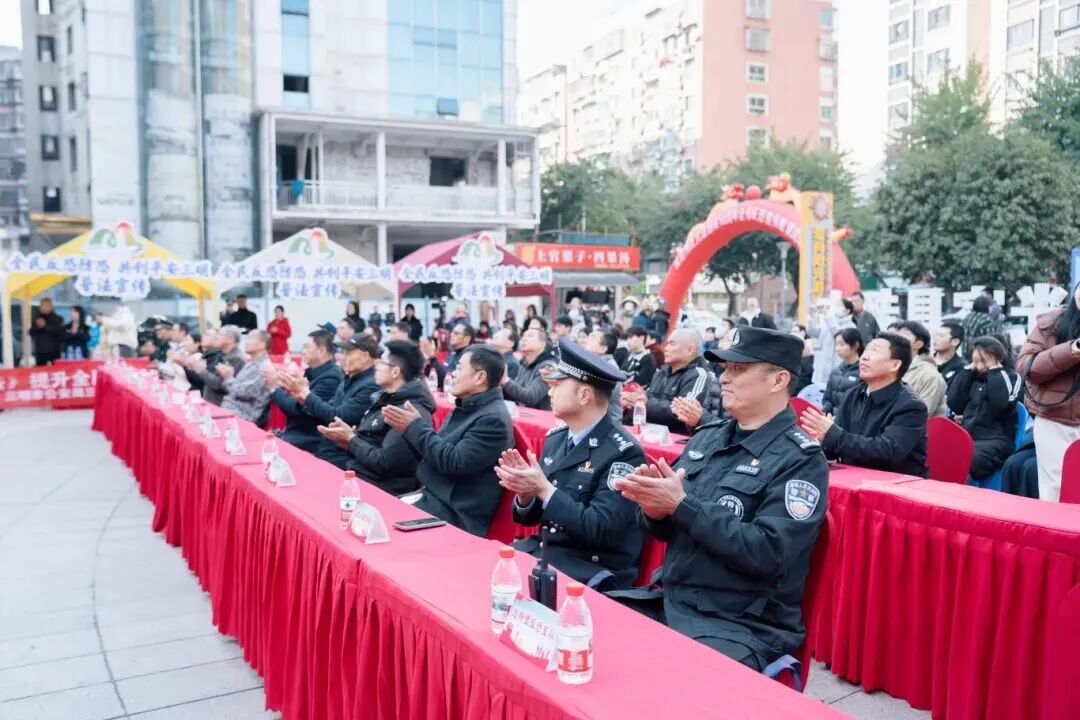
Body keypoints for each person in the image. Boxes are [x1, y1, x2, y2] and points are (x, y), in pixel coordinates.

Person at [608, 327, 827, 671]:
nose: (723, 378)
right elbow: (665, 525)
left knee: (653, 680)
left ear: (778, 380)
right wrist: (654, 510)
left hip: (739, 624)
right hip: (673, 601)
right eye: (724, 368)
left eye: (738, 369)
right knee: (587, 634)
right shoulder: (708, 438)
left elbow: (768, 553)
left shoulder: (801, 460)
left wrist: (681, 506)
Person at [497, 339, 647, 590]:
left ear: (584, 395)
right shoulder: (557, 439)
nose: (549, 393)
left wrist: (544, 489)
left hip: (588, 567)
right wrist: (526, 494)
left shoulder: (623, 453)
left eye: (557, 385)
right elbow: (531, 518)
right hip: (548, 553)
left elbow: (599, 529)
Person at [382, 345, 515, 536]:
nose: (453, 373)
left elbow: (453, 463)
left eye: (459, 368)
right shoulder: (468, 406)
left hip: (455, 512)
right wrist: (409, 430)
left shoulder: (493, 420)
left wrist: (415, 427)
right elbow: (435, 453)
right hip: (433, 496)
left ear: (479, 377)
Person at [801, 332, 929, 477]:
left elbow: (888, 452)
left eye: (874, 351)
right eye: (866, 350)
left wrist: (834, 435)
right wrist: (824, 439)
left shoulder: (911, 406)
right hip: (853, 479)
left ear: (895, 365)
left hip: (895, 484)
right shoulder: (852, 395)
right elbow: (837, 447)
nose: (864, 357)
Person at [318, 340, 436, 496]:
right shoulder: (386, 399)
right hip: (359, 474)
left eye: (381, 362)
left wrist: (352, 440)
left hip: (381, 489)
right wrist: (349, 438)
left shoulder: (408, 411)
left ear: (395, 372)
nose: (376, 366)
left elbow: (385, 463)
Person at [1017, 282, 1080, 501]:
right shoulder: (1051, 323)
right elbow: (1027, 367)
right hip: (1055, 419)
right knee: (1054, 488)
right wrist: (1070, 351)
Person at [281, 334, 380, 469]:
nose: (342, 357)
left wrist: (306, 394)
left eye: (348, 353)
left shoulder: (371, 385)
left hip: (342, 455)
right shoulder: (349, 379)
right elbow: (329, 407)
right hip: (327, 448)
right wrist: (303, 399)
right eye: (342, 353)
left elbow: (338, 416)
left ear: (364, 357)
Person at [947, 336, 1021, 482]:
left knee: (962, 462)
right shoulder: (971, 375)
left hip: (995, 440)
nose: (980, 367)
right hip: (967, 436)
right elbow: (954, 403)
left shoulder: (1011, 377)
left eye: (985, 361)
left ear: (999, 358)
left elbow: (1000, 406)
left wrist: (995, 371)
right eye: (976, 361)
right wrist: (967, 371)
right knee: (938, 455)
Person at [622, 329, 717, 436]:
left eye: (672, 344)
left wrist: (645, 404)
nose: (666, 349)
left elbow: (683, 411)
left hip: (679, 439)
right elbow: (645, 398)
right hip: (651, 435)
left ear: (690, 350)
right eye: (666, 344)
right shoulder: (660, 373)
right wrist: (633, 404)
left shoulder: (699, 375)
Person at [266, 330, 342, 453]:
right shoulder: (312, 372)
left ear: (321, 351)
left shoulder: (331, 378)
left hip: (309, 439)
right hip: (295, 433)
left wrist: (274, 389)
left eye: (307, 347)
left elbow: (299, 409)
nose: (303, 351)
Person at [895, 320, 947, 418]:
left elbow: (922, 414)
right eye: (897, 333)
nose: (896, 337)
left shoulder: (930, 375)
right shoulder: (892, 367)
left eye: (905, 334)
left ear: (918, 344)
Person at [219, 329, 273, 423]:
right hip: (230, 409)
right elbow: (236, 387)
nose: (246, 342)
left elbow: (244, 392)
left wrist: (228, 377)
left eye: (250, 338)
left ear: (262, 345)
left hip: (242, 415)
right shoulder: (251, 363)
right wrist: (229, 377)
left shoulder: (264, 367)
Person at [501, 327, 558, 410]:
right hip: (523, 413)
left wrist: (505, 380)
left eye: (530, 336)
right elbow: (516, 391)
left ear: (543, 344)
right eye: (523, 336)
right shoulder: (524, 362)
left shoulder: (548, 367)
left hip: (541, 416)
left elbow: (531, 397)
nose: (524, 339)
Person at [190, 326, 246, 406]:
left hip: (220, 405)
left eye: (220, 335)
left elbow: (221, 385)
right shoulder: (222, 354)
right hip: (210, 402)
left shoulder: (236, 359)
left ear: (231, 339)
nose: (216, 337)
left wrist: (201, 370)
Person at [807, 298, 855, 385]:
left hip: (836, 369)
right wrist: (812, 315)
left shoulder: (850, 326)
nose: (835, 308)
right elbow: (812, 332)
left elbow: (837, 333)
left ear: (847, 311)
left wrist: (827, 315)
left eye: (839, 305)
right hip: (821, 371)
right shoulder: (827, 323)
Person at [584, 329, 624, 423]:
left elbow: (594, 396)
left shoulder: (609, 369)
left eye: (592, 338)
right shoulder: (594, 363)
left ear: (602, 349)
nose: (586, 341)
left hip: (608, 424)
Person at [821, 328, 864, 414]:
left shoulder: (864, 371)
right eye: (836, 344)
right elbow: (827, 399)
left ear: (856, 345)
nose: (837, 348)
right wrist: (824, 411)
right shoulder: (835, 371)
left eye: (842, 344)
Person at [29, 298, 65, 366]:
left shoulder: (58, 319)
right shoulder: (36, 319)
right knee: (41, 370)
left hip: (54, 351)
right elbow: (31, 332)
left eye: (44, 305)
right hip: (40, 352)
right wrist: (38, 327)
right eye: (41, 305)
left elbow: (60, 332)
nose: (42, 307)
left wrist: (45, 326)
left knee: (56, 370)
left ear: (50, 306)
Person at [961, 296, 996, 361]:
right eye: (991, 306)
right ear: (987, 307)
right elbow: (990, 341)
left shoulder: (968, 317)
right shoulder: (986, 320)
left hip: (965, 353)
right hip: (979, 356)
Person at [934, 320, 966, 387]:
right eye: (936, 335)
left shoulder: (961, 368)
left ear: (955, 342)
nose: (936, 338)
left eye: (941, 336)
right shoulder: (925, 360)